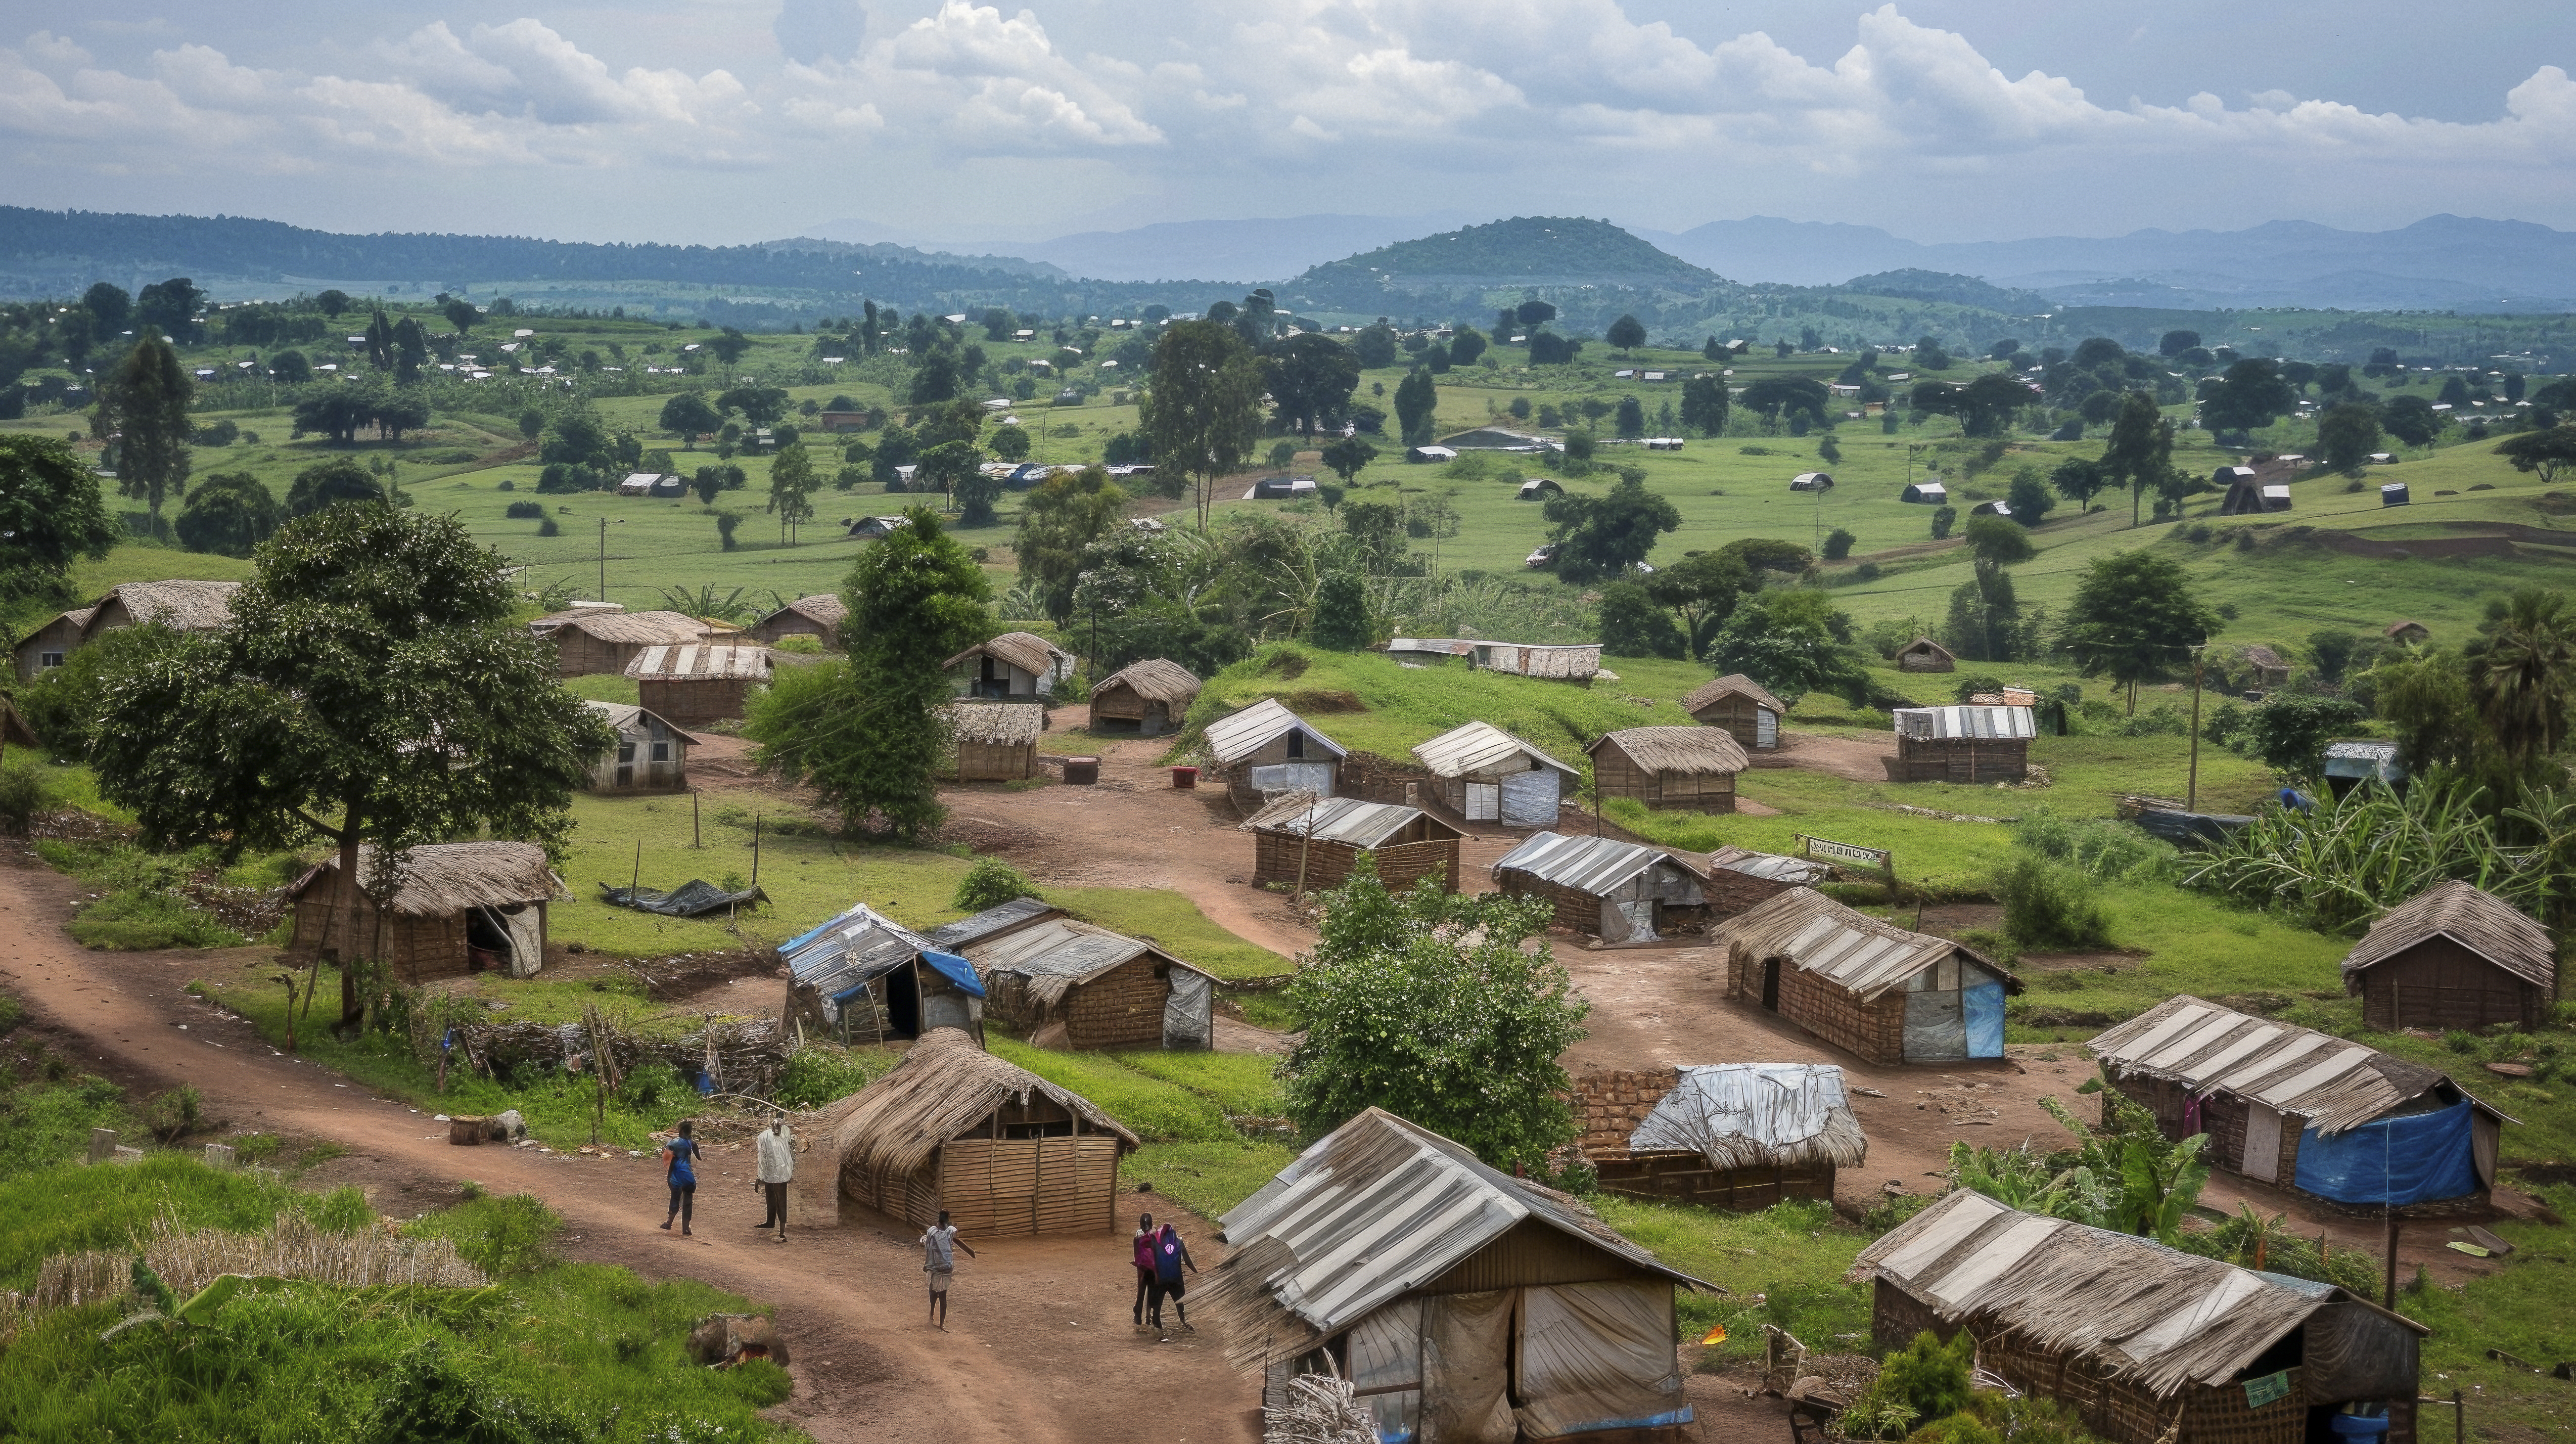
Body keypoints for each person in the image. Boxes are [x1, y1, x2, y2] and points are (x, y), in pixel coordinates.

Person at [920, 1209, 976, 1330]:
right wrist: (971, 1252)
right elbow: (956, 1240)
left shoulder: (932, 1231)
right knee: (943, 1295)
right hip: (946, 1267)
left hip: (934, 1266)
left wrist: (927, 1264)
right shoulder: (951, 1230)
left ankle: (931, 1313)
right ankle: (941, 1324)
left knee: (933, 1291)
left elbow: (928, 1248)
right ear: (948, 1219)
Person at [1150, 1220, 1198, 1338]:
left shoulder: (1155, 1242)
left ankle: (1157, 1325)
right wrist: (1196, 1272)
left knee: (1157, 1305)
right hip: (1176, 1281)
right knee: (1180, 1302)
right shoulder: (1179, 1243)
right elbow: (1187, 1261)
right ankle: (1183, 1322)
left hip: (1160, 1281)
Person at [754, 1113, 794, 1242]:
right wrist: (761, 1176)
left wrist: (760, 1177)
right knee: (772, 1197)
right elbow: (762, 1158)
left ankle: (782, 1232)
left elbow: (764, 1158)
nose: (777, 1129)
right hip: (774, 1172)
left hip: (780, 1173)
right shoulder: (764, 1136)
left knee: (780, 1201)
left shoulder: (785, 1132)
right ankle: (771, 1222)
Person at [660, 1119, 700, 1236]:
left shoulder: (674, 1142)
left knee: (675, 1199)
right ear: (690, 1132)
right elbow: (698, 1157)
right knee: (688, 1202)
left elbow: (667, 1158)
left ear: (681, 1131)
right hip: (688, 1177)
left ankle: (669, 1223)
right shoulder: (692, 1143)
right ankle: (686, 1229)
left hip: (676, 1176)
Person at [1130, 1211, 1158, 1332]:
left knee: (1141, 1292)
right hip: (1153, 1268)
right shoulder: (1155, 1237)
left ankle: (1138, 1316)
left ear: (1141, 1225)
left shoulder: (1137, 1239)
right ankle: (1150, 1317)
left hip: (1142, 1269)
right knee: (1153, 1290)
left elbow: (1137, 1256)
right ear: (1151, 1225)